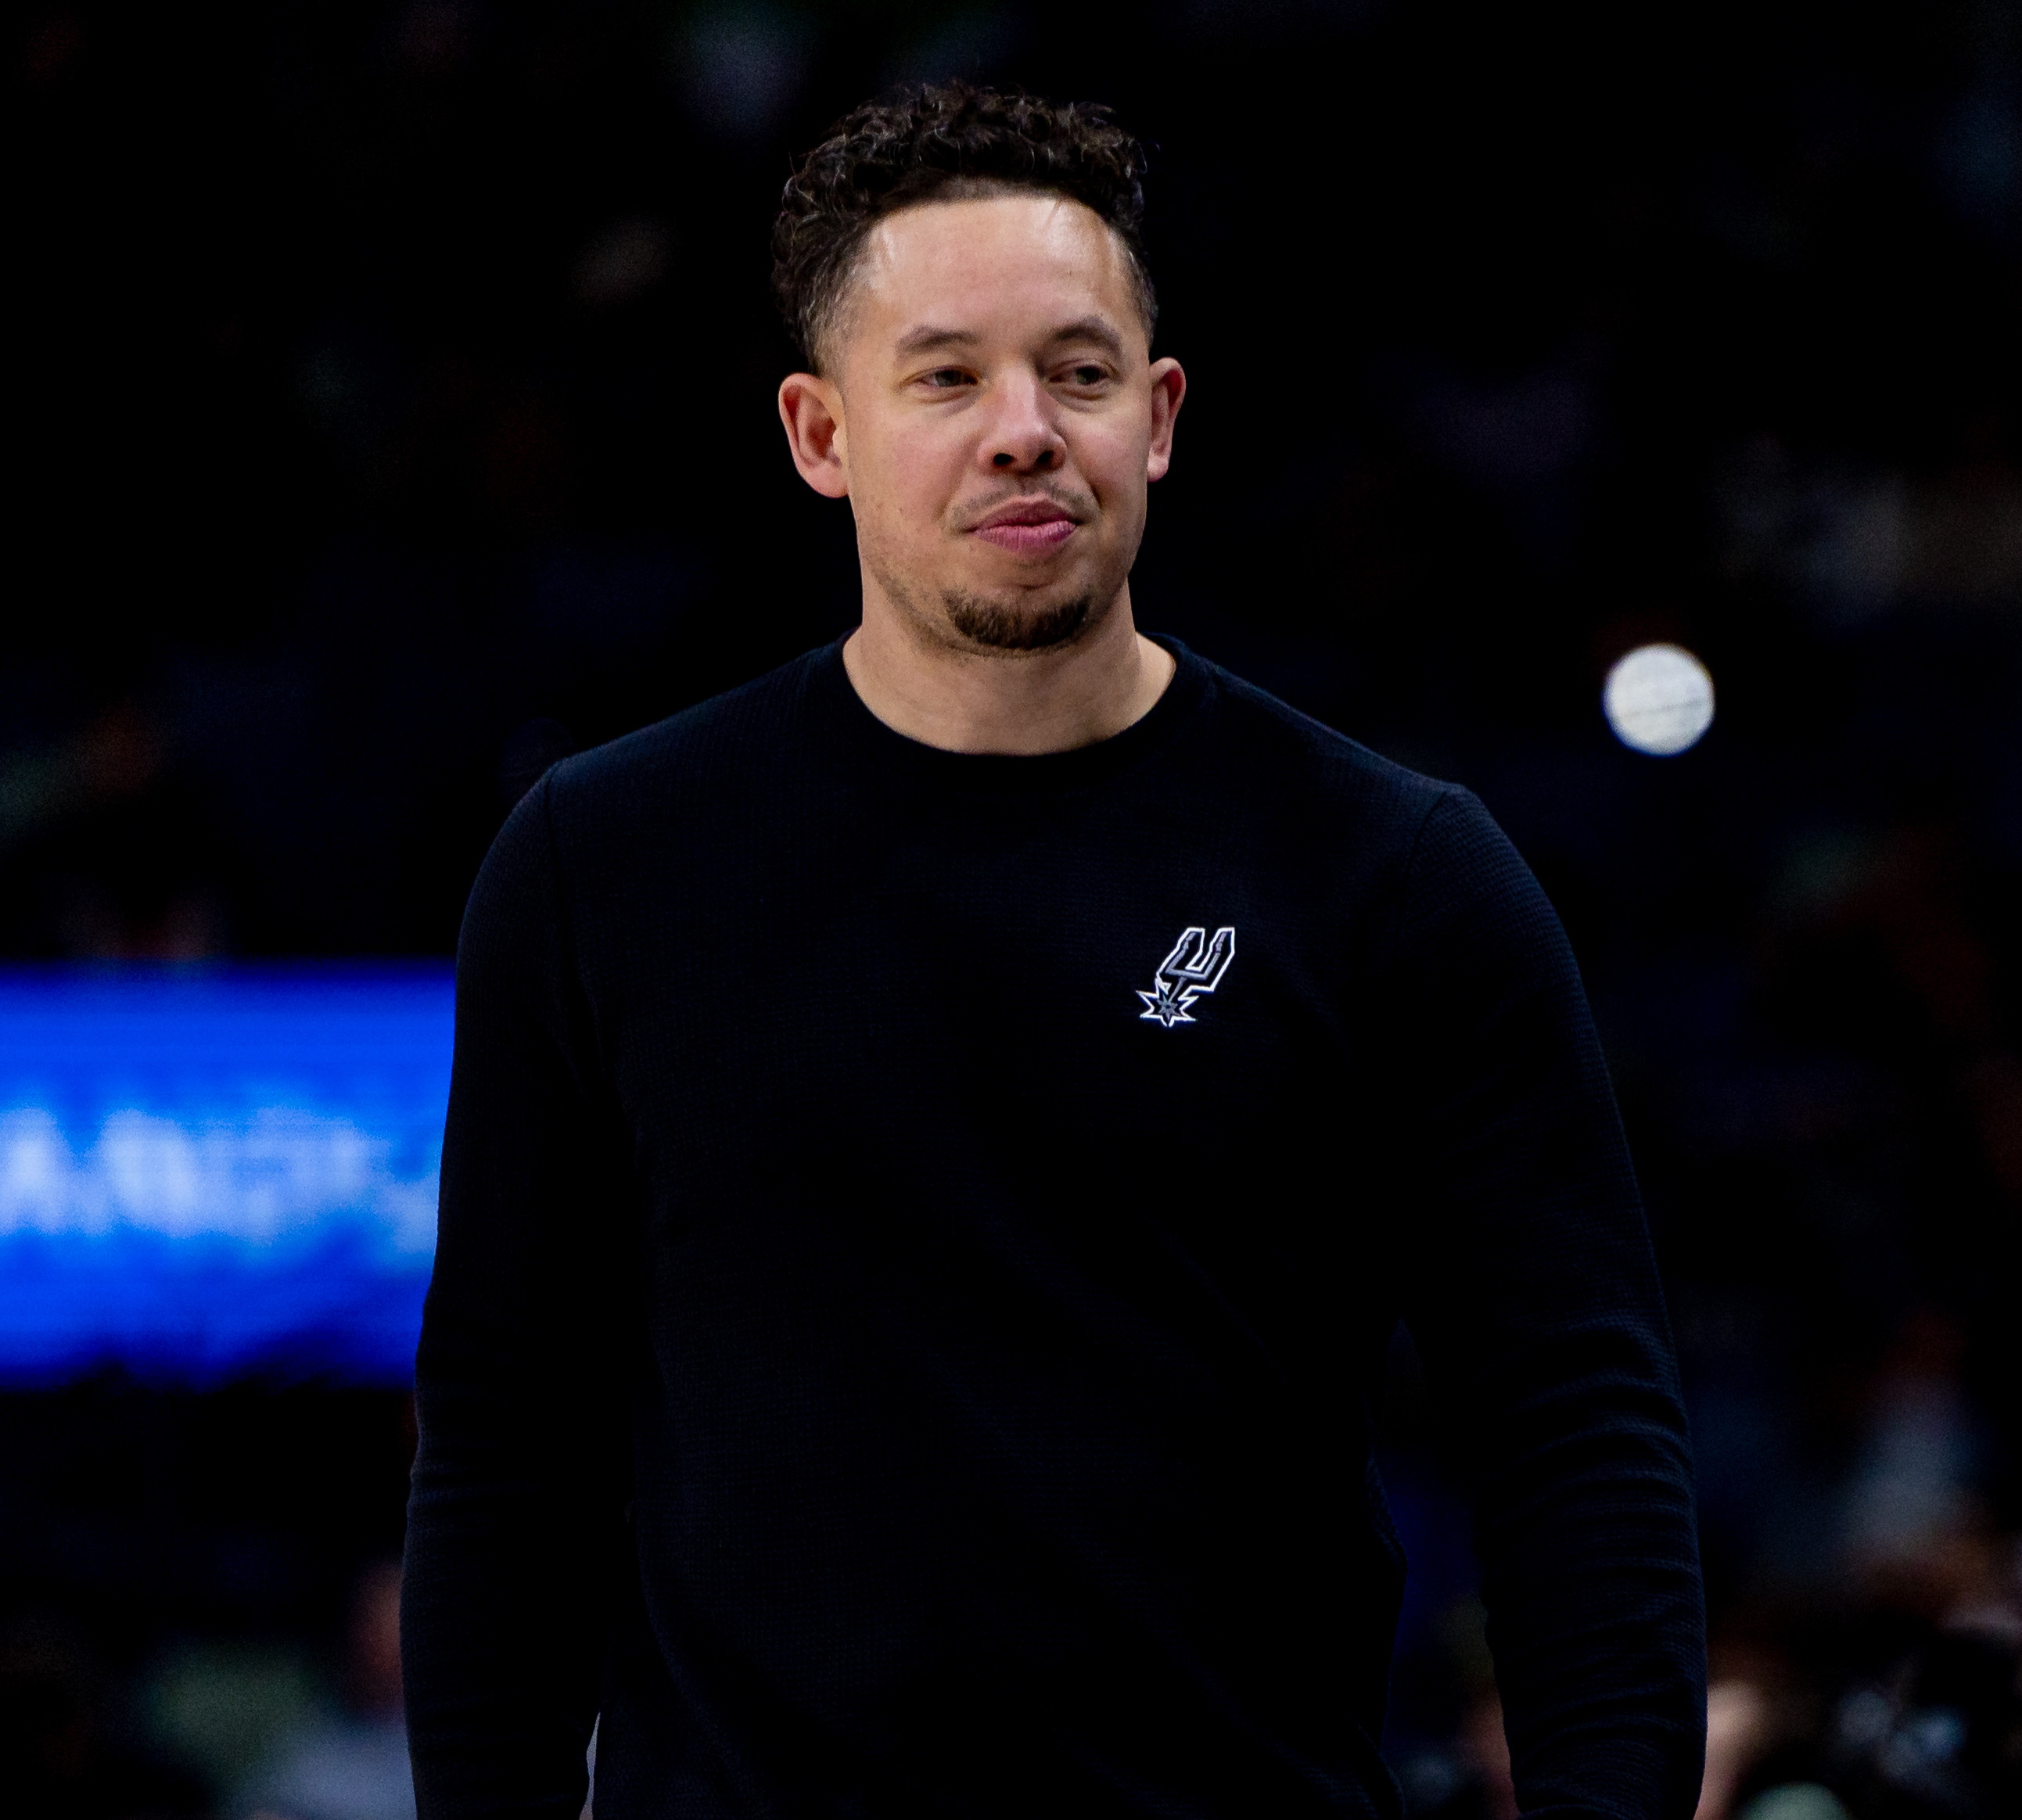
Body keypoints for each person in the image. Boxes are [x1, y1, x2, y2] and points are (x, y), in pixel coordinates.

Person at [401, 83, 1705, 1818]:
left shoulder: (1398, 876)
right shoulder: (599, 863)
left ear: (1156, 418)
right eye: (944, 377)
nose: (1023, 429)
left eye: (1076, 373)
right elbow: (510, 1452)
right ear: (819, 433)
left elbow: (1575, 1438)